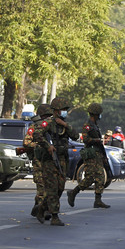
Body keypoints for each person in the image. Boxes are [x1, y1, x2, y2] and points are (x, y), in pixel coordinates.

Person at [32, 97, 78, 226]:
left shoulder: (64, 124)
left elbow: (75, 136)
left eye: (65, 110)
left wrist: (65, 125)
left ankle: (41, 208)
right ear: (56, 111)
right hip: (49, 159)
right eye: (63, 109)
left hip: (62, 159)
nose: (64, 112)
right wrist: (48, 146)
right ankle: (54, 216)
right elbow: (37, 135)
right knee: (52, 188)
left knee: (60, 187)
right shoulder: (47, 123)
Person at [67, 103, 110, 209]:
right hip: (91, 154)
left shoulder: (95, 126)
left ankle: (98, 200)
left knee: (101, 177)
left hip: (98, 154)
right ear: (95, 114)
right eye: (99, 114)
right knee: (90, 178)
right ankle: (73, 192)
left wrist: (103, 156)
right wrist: (96, 140)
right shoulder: (88, 125)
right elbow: (85, 139)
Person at [24, 103, 52, 221]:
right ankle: (43, 210)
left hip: (49, 161)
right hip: (38, 161)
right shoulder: (34, 128)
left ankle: (39, 206)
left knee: (49, 185)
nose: (48, 118)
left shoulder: (50, 127)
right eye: (46, 116)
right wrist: (39, 145)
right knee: (41, 185)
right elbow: (26, 143)